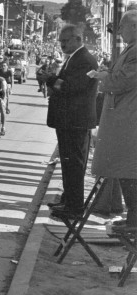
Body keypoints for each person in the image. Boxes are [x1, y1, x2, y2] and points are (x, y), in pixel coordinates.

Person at [45, 24, 99, 219]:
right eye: (61, 41)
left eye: (65, 41)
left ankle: (74, 207)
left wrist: (50, 80)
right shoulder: (74, 58)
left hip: (76, 121)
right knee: (68, 163)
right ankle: (68, 200)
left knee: (74, 164)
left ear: (78, 39)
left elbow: (70, 87)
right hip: (69, 121)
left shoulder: (84, 60)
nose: (62, 45)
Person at [90, 10, 137, 232]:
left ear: (134, 27)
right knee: (124, 170)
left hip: (128, 120)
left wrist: (104, 78)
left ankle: (134, 221)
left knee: (128, 170)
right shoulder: (131, 49)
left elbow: (123, 82)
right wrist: (108, 73)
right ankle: (132, 219)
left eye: (122, 27)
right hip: (124, 117)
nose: (119, 31)